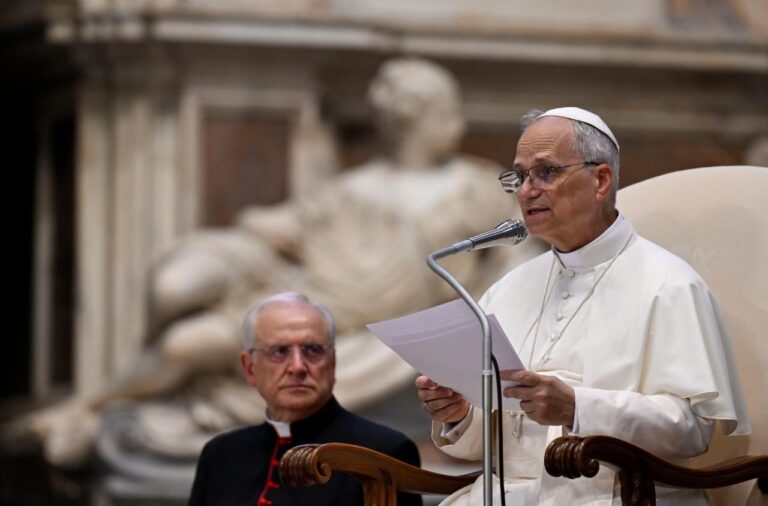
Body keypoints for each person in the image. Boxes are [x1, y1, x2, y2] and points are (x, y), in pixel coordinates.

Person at [24, 57, 541, 467]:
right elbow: (279, 223)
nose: (457, 124)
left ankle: (92, 408)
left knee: (187, 345)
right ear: (415, 118)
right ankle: (91, 404)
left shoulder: (476, 186)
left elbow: (518, 255)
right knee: (177, 289)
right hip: (304, 293)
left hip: (362, 322)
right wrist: (253, 228)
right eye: (447, 112)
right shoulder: (349, 189)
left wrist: (486, 313)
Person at [416, 107, 750, 505]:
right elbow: (493, 447)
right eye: (520, 176)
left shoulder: (670, 285)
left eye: (545, 172)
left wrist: (577, 407)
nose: (526, 190)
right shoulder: (508, 288)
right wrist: (458, 413)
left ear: (601, 180)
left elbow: (691, 430)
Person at [189, 292, 422, 506]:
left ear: (332, 362)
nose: (298, 366)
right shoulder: (221, 454)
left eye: (312, 350)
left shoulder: (385, 452)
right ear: (250, 368)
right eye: (279, 351)